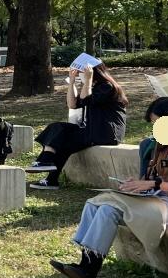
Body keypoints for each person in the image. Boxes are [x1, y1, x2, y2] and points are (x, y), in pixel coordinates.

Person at [50, 97, 168, 278]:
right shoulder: (163, 144)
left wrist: (156, 184)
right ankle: (85, 266)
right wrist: (137, 184)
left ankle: (88, 270)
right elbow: (153, 179)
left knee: (109, 209)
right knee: (98, 204)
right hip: (158, 200)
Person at [27, 62, 128, 191]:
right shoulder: (92, 87)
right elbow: (72, 104)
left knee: (63, 141)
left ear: (94, 72)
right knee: (57, 128)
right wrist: (72, 82)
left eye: (83, 72)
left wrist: (88, 80)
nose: (82, 75)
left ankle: (46, 163)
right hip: (93, 130)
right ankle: (49, 174)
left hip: (106, 133)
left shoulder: (107, 87)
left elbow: (86, 100)